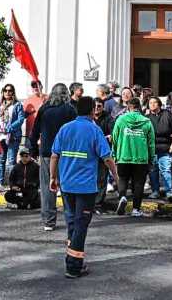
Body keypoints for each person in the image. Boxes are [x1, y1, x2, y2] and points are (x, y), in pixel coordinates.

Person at [50, 96, 118, 279]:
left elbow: (55, 155)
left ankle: (71, 258)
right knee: (81, 225)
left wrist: (52, 177)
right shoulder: (94, 130)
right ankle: (73, 265)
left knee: (72, 223)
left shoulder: (65, 128)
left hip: (67, 185)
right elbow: (107, 157)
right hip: (86, 187)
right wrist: (116, 176)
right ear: (91, 111)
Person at [29, 82, 76, 231]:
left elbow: (34, 131)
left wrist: (33, 150)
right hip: (66, 153)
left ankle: (49, 221)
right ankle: (71, 219)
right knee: (67, 187)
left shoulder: (44, 109)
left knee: (47, 187)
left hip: (47, 152)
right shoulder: (70, 110)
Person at [112, 97, 155, 217]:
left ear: (128, 107)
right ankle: (136, 209)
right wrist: (152, 158)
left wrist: (114, 153)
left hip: (124, 156)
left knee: (123, 179)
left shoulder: (121, 119)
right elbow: (151, 142)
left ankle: (122, 197)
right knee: (139, 183)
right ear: (139, 107)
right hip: (141, 158)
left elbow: (114, 138)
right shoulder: (146, 121)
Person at [146, 96, 172, 201]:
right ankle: (155, 191)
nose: (152, 105)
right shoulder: (147, 118)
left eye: (155, 102)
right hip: (152, 149)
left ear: (159, 104)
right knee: (153, 171)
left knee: (166, 170)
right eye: (150, 103)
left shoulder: (167, 114)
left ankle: (169, 192)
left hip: (166, 148)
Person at [0, 84, 26, 187]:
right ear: (3, 92)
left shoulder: (17, 105)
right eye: (5, 90)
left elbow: (21, 119)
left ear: (13, 92)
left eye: (10, 90)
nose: (7, 92)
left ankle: (11, 183)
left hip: (12, 136)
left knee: (11, 161)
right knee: (0, 160)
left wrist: (10, 127)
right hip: (0, 136)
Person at [91, 97, 114, 211]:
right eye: (94, 106)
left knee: (101, 178)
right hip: (89, 153)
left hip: (102, 153)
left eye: (99, 106)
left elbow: (112, 133)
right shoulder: (88, 118)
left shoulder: (108, 118)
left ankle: (98, 203)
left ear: (103, 107)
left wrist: (109, 136)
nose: (96, 108)